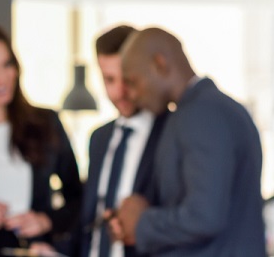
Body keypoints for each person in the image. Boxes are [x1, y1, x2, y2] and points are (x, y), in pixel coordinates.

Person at [111, 27, 266, 256]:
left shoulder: (201, 114)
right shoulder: (215, 109)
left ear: (160, 64)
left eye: (133, 82)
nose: (131, 95)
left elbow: (205, 215)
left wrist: (142, 222)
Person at [0, 21, 82, 257]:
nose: (3, 78)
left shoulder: (46, 123)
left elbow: (79, 199)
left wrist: (45, 221)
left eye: (7, 64)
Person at [77, 25, 167, 257]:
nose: (119, 92)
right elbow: (88, 223)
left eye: (127, 79)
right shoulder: (99, 138)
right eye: (109, 80)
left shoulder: (171, 132)